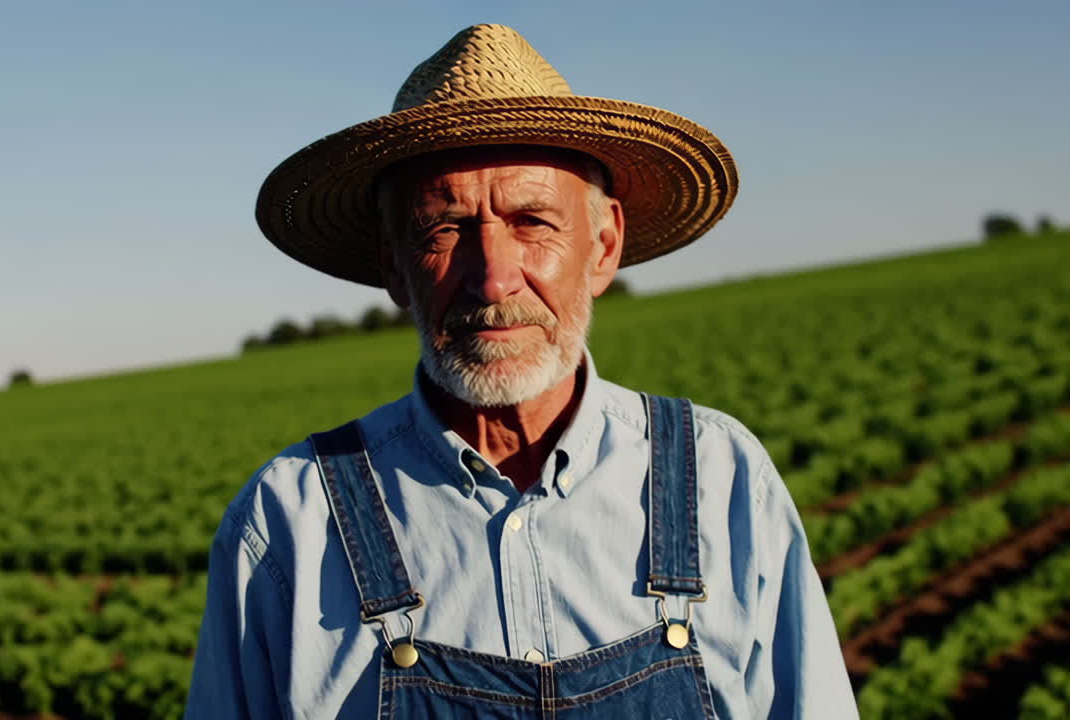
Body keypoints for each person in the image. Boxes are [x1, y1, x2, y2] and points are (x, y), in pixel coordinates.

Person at [185, 24, 858, 720]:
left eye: (532, 221)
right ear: (394, 265)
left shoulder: (722, 479)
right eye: (444, 229)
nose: (494, 279)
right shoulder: (290, 525)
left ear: (602, 246)